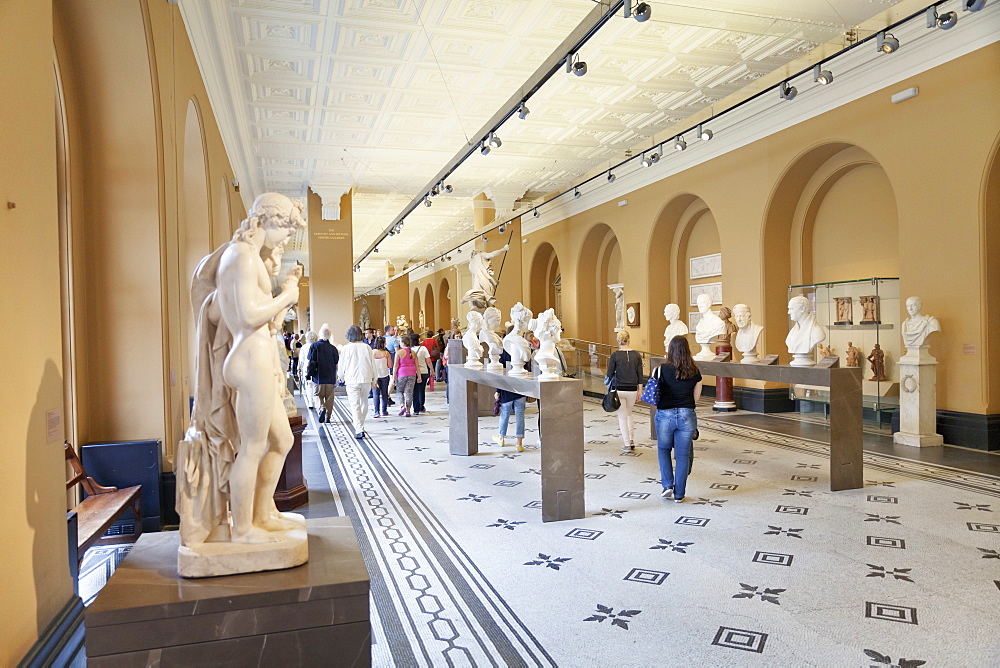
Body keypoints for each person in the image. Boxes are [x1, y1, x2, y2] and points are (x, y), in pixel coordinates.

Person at [178, 192, 305, 548]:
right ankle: (244, 527)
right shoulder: (241, 257)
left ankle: (262, 514)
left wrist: (287, 289)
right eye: (288, 229)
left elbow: (268, 323)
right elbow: (247, 317)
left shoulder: (250, 258)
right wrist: (288, 297)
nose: (287, 239)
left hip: (259, 356)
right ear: (271, 220)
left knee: (282, 440)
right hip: (250, 362)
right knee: (251, 446)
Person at [653, 336, 703, 503]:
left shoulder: (660, 370)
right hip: (687, 415)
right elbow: (696, 398)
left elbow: (653, 392)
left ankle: (667, 485)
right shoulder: (695, 371)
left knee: (663, 449)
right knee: (682, 456)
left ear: (670, 349)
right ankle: (679, 494)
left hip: (665, 415)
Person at [605, 330, 645, 453]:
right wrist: (640, 390)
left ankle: (627, 443)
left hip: (619, 389)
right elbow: (640, 374)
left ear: (618, 341)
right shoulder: (637, 355)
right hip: (632, 389)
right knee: (629, 413)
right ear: (629, 340)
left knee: (622, 417)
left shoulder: (615, 356)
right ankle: (632, 439)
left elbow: (609, 374)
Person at [338, 325, 378, 439]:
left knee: (355, 404)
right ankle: (361, 424)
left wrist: (340, 376)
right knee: (364, 401)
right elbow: (372, 364)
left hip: (351, 379)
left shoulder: (346, 348)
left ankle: (359, 428)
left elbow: (342, 365)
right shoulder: (366, 347)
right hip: (366, 378)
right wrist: (375, 379)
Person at [308, 323, 339, 423]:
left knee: (317, 394)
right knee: (330, 397)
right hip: (330, 377)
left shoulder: (314, 346)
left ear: (320, 334)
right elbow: (336, 362)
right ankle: (328, 417)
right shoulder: (333, 348)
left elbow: (310, 358)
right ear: (329, 335)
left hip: (318, 376)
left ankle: (322, 408)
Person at [389, 334, 421, 416]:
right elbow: (417, 365)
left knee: (399, 391)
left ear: (402, 343)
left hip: (402, 373)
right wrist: (419, 376)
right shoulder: (413, 352)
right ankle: (408, 410)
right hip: (412, 373)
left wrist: (394, 377)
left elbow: (395, 365)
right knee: (409, 392)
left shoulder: (399, 352)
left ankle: (402, 405)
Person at [493, 387, 527, 452]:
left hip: (506, 392)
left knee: (504, 415)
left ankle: (501, 438)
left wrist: (498, 391)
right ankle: (519, 443)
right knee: (520, 416)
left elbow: (501, 378)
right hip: (521, 391)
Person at [411, 333, 433, 414]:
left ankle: (415, 408)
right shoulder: (423, 349)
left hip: (413, 372)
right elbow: (428, 361)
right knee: (422, 390)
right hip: (423, 371)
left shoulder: (410, 350)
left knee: (415, 391)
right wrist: (432, 371)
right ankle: (421, 407)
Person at [371, 336, 392, 417]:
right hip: (384, 375)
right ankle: (384, 410)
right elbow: (390, 365)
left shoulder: (372, 352)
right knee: (384, 393)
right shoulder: (386, 353)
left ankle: (376, 412)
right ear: (383, 343)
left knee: (375, 394)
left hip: (375, 376)